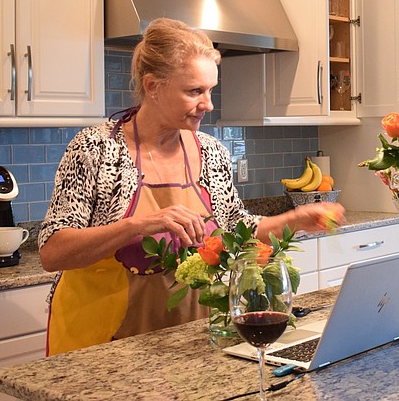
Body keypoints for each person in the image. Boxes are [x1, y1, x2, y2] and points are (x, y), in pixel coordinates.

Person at [38, 18, 345, 356]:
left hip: (185, 342)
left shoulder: (211, 152)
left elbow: (236, 229)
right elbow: (53, 252)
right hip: (98, 345)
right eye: (194, 91)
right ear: (153, 86)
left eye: (210, 90)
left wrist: (297, 218)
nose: (208, 104)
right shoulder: (96, 148)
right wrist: (139, 225)